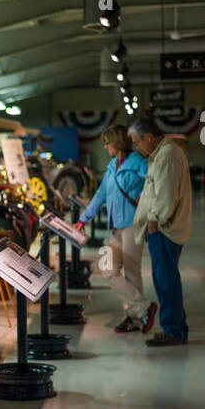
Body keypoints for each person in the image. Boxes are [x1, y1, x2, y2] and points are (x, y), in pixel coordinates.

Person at [77, 125, 154, 333]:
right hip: (114, 228)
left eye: (107, 142)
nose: (104, 146)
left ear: (117, 143)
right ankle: (143, 308)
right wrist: (83, 219)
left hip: (132, 225)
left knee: (132, 273)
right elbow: (100, 195)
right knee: (107, 268)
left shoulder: (139, 161)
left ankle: (133, 317)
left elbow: (155, 183)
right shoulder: (112, 166)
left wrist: (144, 196)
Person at [129, 118, 193, 346]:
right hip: (165, 229)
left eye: (137, 142)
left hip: (165, 230)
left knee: (165, 281)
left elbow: (166, 196)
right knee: (166, 279)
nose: (137, 147)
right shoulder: (163, 154)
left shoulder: (166, 156)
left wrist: (154, 222)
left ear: (148, 137)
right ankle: (177, 328)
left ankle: (173, 331)